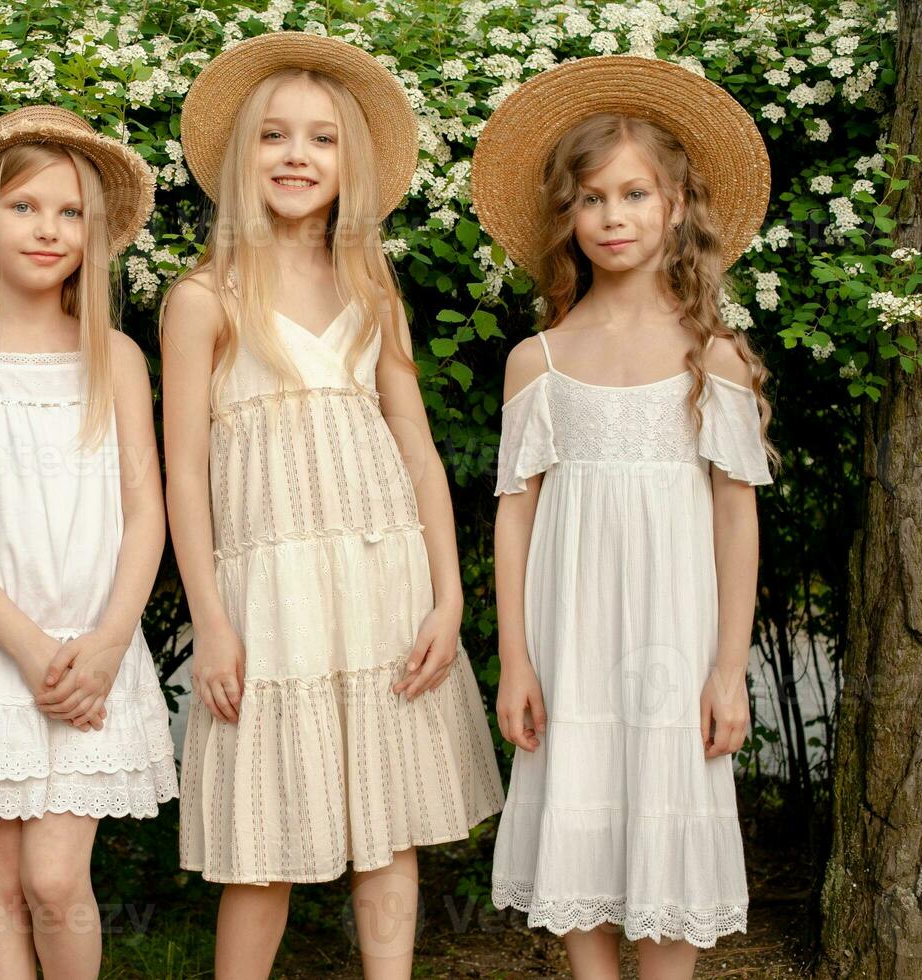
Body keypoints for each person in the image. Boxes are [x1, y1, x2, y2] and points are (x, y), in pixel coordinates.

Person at [164, 32, 505, 978]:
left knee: (389, 827)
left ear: (349, 161)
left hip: (380, 581)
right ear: (243, 159)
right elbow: (183, 473)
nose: (297, 156)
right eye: (274, 136)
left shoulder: (371, 286)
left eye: (320, 139)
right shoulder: (205, 297)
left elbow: (420, 452)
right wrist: (211, 619)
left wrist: (448, 596)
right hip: (268, 595)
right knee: (263, 843)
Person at [472, 56, 778, 978]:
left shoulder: (710, 356)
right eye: (593, 198)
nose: (614, 216)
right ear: (569, 216)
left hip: (675, 647)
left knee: (666, 817)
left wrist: (729, 670)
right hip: (571, 644)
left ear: (678, 206)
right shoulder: (540, 361)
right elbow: (514, 519)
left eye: (635, 194)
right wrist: (516, 660)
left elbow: (735, 520)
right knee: (581, 810)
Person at [0, 106, 178, 979]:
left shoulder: (117, 359)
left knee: (58, 880)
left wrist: (102, 647)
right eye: (25, 207)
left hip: (95, 652)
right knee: (2, 877)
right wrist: (26, 648)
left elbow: (147, 516)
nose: (49, 229)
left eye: (69, 212)